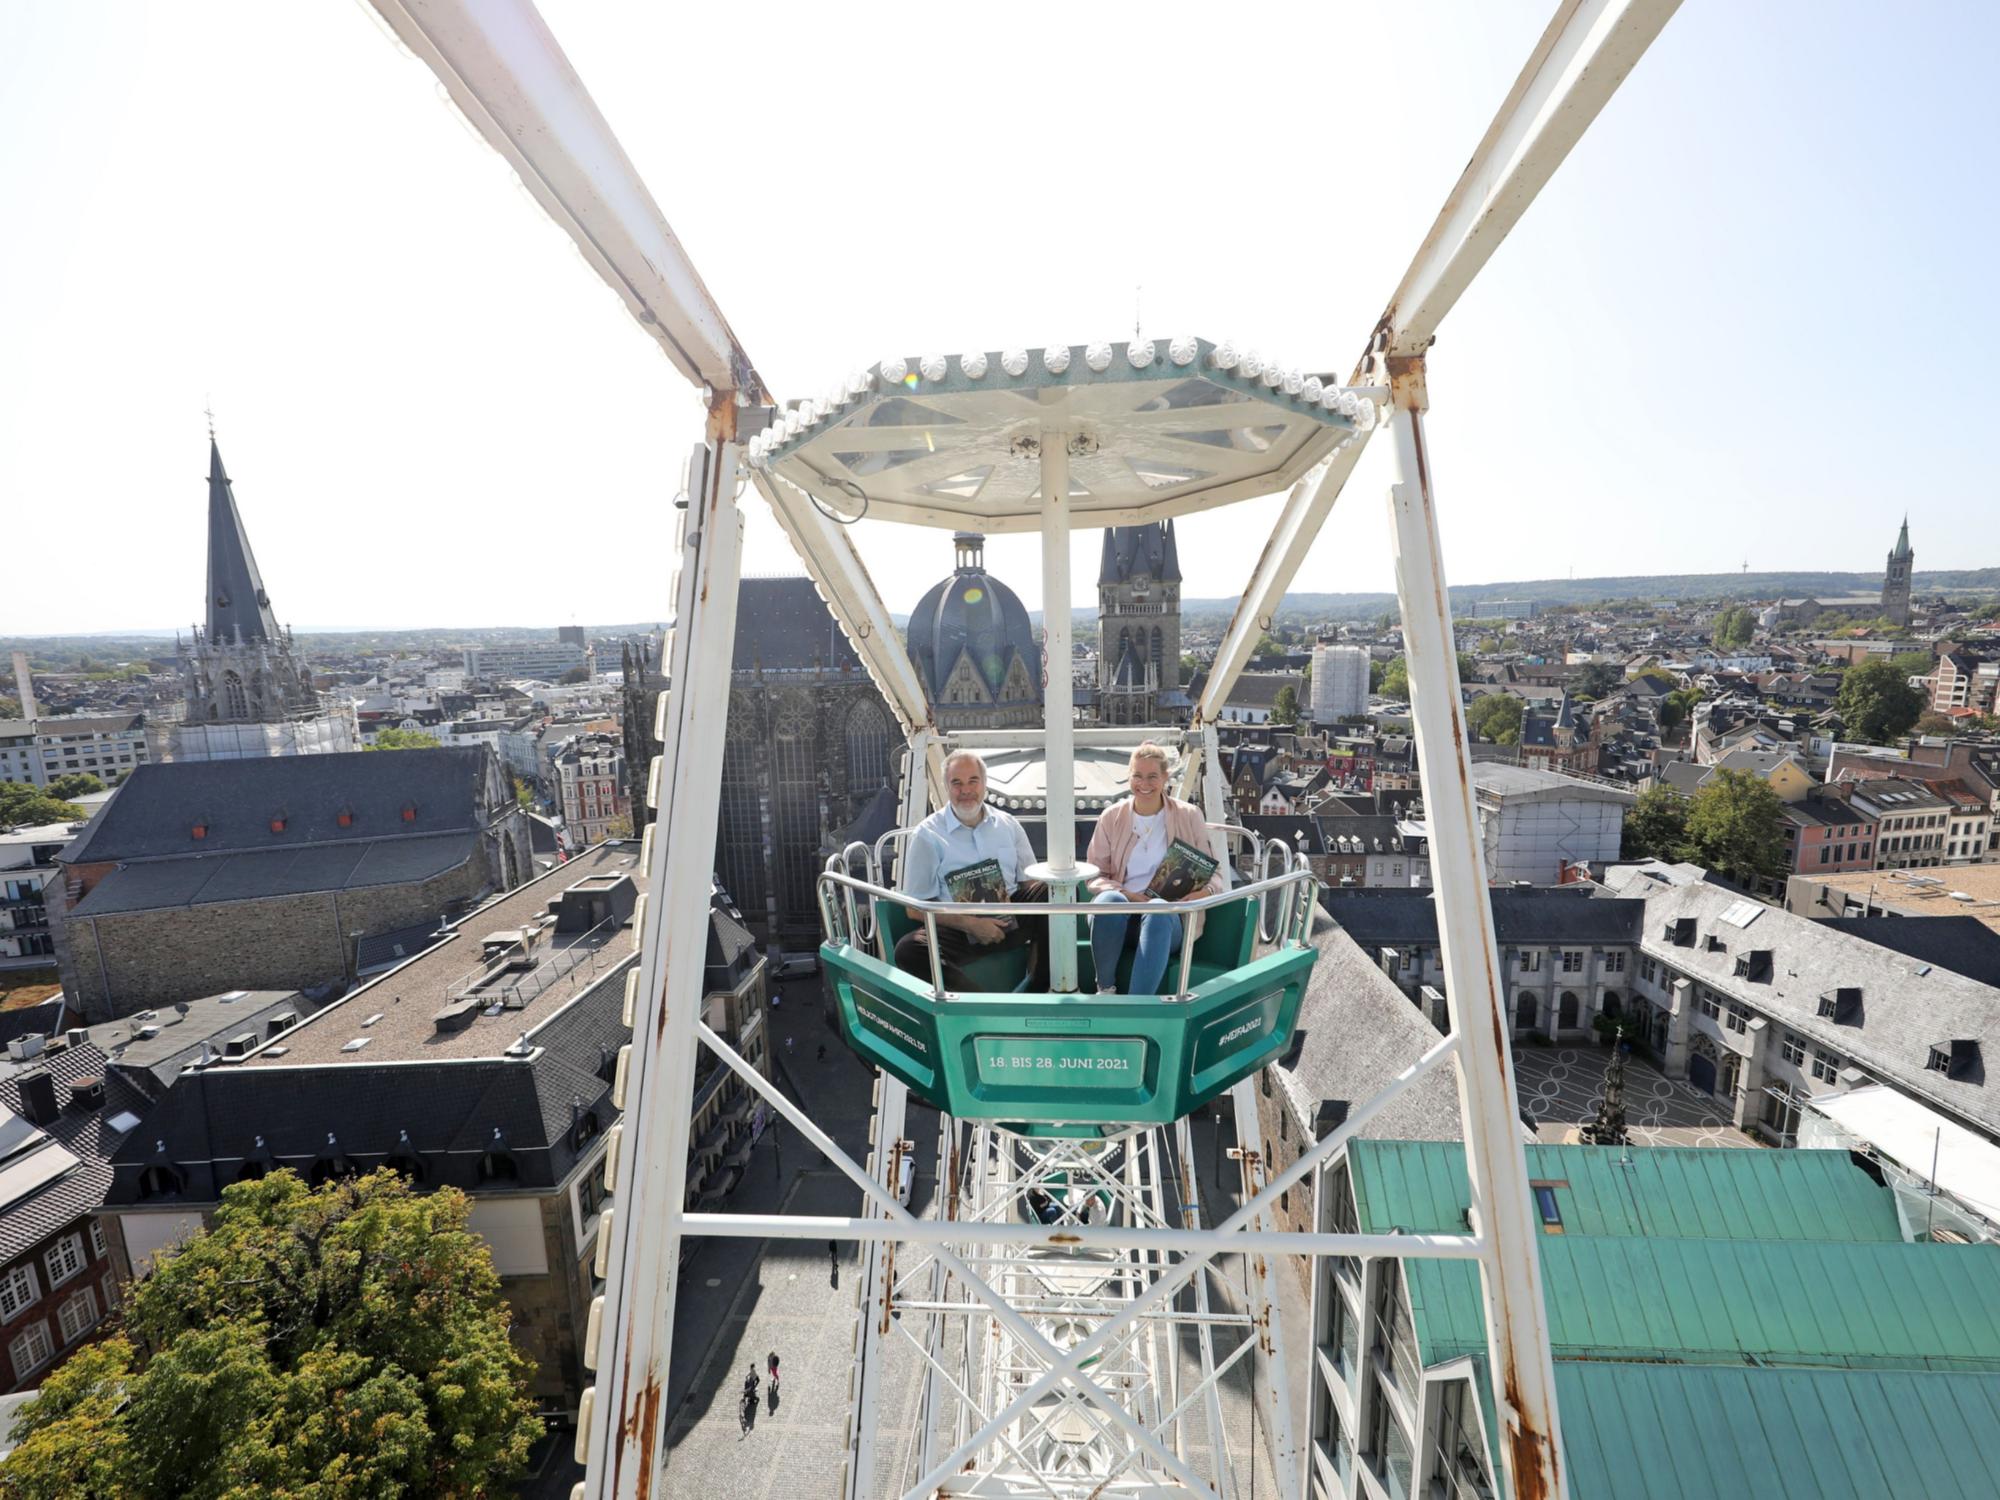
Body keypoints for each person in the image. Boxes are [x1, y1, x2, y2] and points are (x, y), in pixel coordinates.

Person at [894, 750, 1050, 992]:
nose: (965, 790)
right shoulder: (927, 835)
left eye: (972, 781)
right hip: (959, 930)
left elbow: (1029, 884)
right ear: (946, 786)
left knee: (1052, 891)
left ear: (985, 784)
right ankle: (978, 1004)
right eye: (956, 783)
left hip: (1011, 921)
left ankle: (1040, 986)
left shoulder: (1008, 824)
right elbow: (914, 909)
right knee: (908, 950)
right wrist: (971, 925)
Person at [1085, 743, 1225, 995]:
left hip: (1167, 920)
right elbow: (1096, 874)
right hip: (1122, 915)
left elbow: (1214, 874)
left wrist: (1202, 894)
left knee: (1158, 909)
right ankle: (1104, 989)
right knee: (1109, 900)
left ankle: (1139, 1005)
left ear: (1165, 778)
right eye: (1137, 775)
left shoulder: (1190, 815)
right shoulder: (1111, 817)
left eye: (1152, 776)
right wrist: (1130, 896)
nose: (1144, 783)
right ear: (1129, 777)